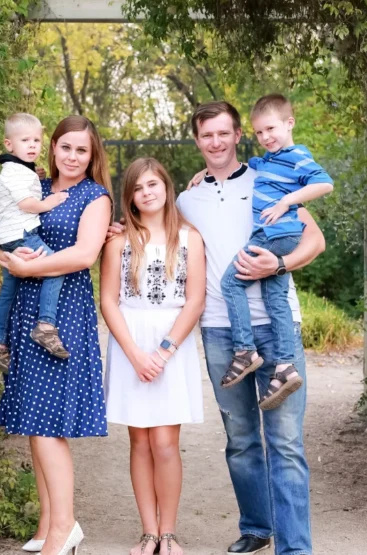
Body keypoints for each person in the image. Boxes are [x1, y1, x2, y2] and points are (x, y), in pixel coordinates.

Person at [115, 101, 323, 555]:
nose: (216, 142)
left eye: (224, 133)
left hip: (276, 325)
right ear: (197, 140)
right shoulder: (187, 200)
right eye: (207, 135)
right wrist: (117, 231)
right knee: (241, 438)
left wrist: (281, 261)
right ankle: (256, 526)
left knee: (285, 442)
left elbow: (315, 239)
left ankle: (295, 547)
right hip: (219, 331)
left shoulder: (268, 180)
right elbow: (153, 229)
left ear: (236, 136)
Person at [0, 115, 113, 555]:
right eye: (66, 147)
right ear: (52, 148)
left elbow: (83, 255)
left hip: (62, 317)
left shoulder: (94, 196)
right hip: (26, 312)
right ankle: (46, 524)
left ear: (92, 156)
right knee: (32, 421)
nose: (73, 156)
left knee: (45, 424)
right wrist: (7, 257)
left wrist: (27, 267)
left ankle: (65, 528)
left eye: (82, 150)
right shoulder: (32, 186)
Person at [100, 158, 206, 555]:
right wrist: (134, 355)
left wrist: (163, 352)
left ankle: (169, 532)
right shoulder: (119, 240)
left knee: (165, 443)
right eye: (137, 188)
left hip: (171, 343)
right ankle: (148, 532)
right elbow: (108, 301)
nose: (146, 193)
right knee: (140, 442)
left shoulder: (190, 238)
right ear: (129, 197)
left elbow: (195, 301)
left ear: (166, 187)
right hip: (130, 342)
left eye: (152, 185)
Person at [218, 94, 333, 411]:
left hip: (275, 234)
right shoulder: (267, 161)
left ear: (289, 123)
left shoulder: (297, 156)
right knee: (275, 299)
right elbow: (239, 168)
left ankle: (245, 350)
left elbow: (325, 184)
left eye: (271, 129)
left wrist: (287, 201)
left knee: (230, 283)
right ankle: (285, 366)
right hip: (277, 236)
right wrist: (203, 174)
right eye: (259, 133)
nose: (266, 137)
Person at [0, 113, 72, 372]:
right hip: (22, 235)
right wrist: (49, 202)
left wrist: (35, 173)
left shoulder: (19, 170)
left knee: (8, 292)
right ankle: (45, 325)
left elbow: (23, 187)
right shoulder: (13, 173)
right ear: (9, 145)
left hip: (9, 237)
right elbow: (26, 203)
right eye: (25, 140)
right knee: (55, 267)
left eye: (37, 140)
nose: (33, 145)